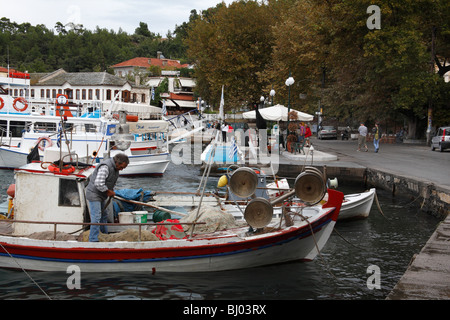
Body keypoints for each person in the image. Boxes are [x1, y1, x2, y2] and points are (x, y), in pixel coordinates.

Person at [85, 153, 129, 242]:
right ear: (117, 163)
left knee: (104, 215)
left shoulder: (115, 169)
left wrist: (109, 191)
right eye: (122, 167)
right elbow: (98, 183)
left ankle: (103, 235)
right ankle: (93, 240)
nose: (122, 169)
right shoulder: (105, 167)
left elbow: (109, 182)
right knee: (96, 217)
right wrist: (108, 191)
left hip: (101, 195)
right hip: (94, 194)